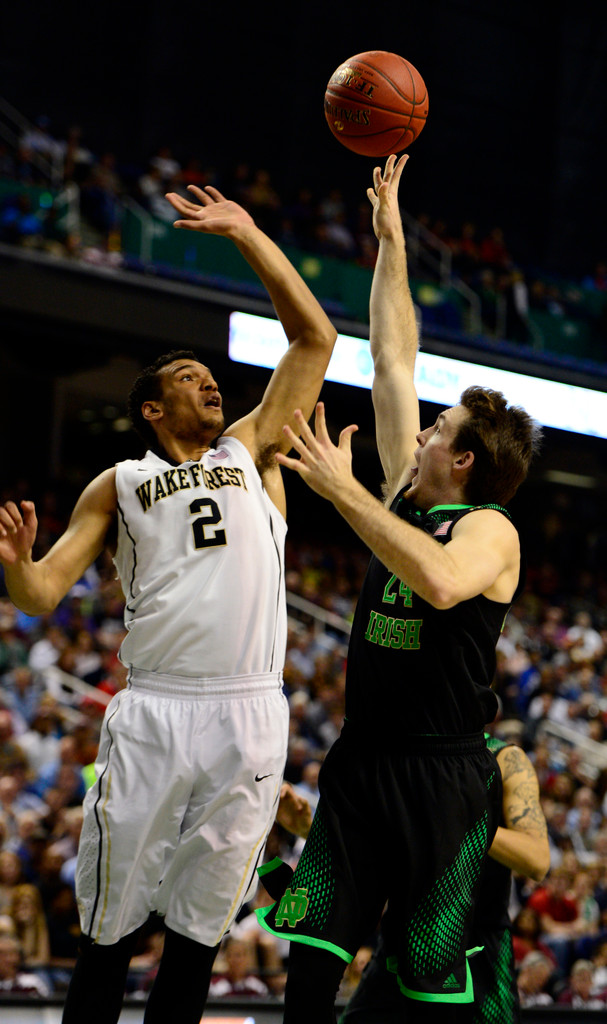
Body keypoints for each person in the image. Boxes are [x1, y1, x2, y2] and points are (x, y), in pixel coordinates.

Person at [0, 181, 337, 1024]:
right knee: (108, 925)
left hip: (250, 710)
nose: (209, 382)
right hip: (156, 708)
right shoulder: (121, 481)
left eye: (210, 373)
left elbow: (315, 336)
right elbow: (42, 594)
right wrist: (14, 563)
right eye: (189, 378)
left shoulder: (249, 449)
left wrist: (248, 233)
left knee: (202, 929)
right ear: (153, 409)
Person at [258, 154, 542, 1023]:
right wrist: (390, 242)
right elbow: (392, 355)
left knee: (425, 990)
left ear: (462, 461)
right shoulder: (401, 497)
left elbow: (442, 585)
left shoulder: (489, 529)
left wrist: (341, 492)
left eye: (437, 431)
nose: (417, 432)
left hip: (440, 776)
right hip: (361, 762)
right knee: (307, 965)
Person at [337, 734, 550, 1023]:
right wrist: (306, 827)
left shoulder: (504, 757)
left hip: (477, 947)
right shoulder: (401, 752)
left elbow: (537, 858)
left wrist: (463, 821)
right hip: (404, 939)